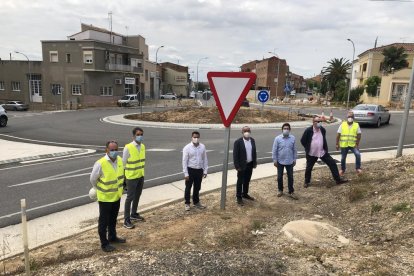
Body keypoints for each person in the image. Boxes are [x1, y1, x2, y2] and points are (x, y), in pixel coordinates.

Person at [90, 141, 126, 252]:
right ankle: (104, 243)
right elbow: (93, 179)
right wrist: (99, 190)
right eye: (112, 150)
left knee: (113, 219)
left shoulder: (119, 160)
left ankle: (112, 237)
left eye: (116, 149)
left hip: (116, 196)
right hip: (105, 198)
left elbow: (120, 176)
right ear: (107, 150)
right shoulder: (100, 163)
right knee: (103, 222)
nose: (114, 152)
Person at [300, 116, 348, 188]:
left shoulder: (322, 130)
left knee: (332, 163)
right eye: (318, 121)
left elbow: (323, 139)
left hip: (322, 152)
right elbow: (303, 141)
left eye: (320, 121)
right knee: (309, 168)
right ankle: (307, 181)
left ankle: (338, 179)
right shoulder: (308, 130)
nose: (319, 123)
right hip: (312, 153)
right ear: (313, 122)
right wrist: (308, 147)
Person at [123, 127, 146, 229]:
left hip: (140, 175)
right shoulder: (128, 147)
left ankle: (134, 214)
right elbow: (123, 164)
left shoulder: (143, 147)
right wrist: (124, 180)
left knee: (138, 195)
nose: (140, 136)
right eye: (138, 134)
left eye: (141, 134)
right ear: (133, 136)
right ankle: (126, 220)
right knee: (129, 198)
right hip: (131, 177)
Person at [182, 131, 208, 211]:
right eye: (194, 137)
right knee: (188, 187)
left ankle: (196, 202)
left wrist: (205, 170)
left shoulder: (202, 147)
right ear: (192, 137)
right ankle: (187, 203)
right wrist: (186, 173)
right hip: (190, 170)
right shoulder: (187, 148)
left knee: (197, 187)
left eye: (197, 137)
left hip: (199, 170)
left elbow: (205, 159)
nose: (196, 139)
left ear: (199, 137)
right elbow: (184, 161)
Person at [272, 123, 298, 199]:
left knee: (290, 177)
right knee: (279, 177)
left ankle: (291, 191)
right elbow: (274, 150)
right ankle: (280, 190)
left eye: (287, 129)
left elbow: (294, 150)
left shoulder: (293, 138)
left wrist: (294, 159)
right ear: (282, 129)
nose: (286, 130)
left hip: (290, 161)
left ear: (289, 130)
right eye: (284, 128)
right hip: (280, 161)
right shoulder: (277, 138)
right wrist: (275, 160)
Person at [233, 126, 257, 205]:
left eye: (248, 131)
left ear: (250, 132)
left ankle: (245, 194)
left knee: (247, 180)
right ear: (242, 132)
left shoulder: (252, 140)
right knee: (240, 181)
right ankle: (238, 197)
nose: (247, 132)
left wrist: (254, 163)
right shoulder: (238, 142)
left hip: (250, 164)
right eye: (245, 131)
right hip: (242, 165)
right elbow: (235, 155)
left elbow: (254, 152)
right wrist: (237, 166)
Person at [336, 111, 362, 175]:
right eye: (349, 117)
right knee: (343, 158)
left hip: (353, 145)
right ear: (347, 117)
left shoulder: (356, 125)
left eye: (351, 117)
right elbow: (338, 135)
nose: (350, 118)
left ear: (353, 118)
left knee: (358, 155)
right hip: (344, 145)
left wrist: (357, 143)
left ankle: (358, 168)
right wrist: (337, 144)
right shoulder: (343, 124)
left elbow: (359, 135)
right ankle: (342, 169)